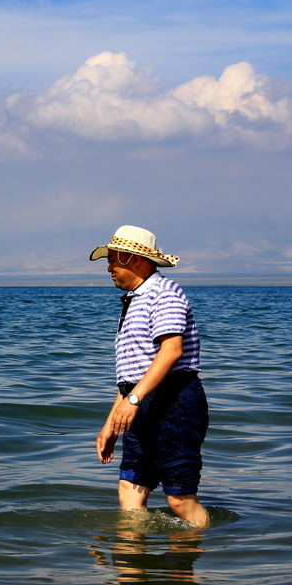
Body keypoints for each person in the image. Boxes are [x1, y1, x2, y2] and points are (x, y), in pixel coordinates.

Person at [90, 226, 210, 528]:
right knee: (129, 490)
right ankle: (131, 572)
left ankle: (186, 569)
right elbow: (131, 375)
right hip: (139, 402)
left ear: (137, 260)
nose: (108, 267)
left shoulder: (164, 292)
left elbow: (171, 352)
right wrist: (111, 423)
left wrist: (133, 400)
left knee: (180, 500)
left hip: (175, 402)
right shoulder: (134, 300)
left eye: (114, 260)